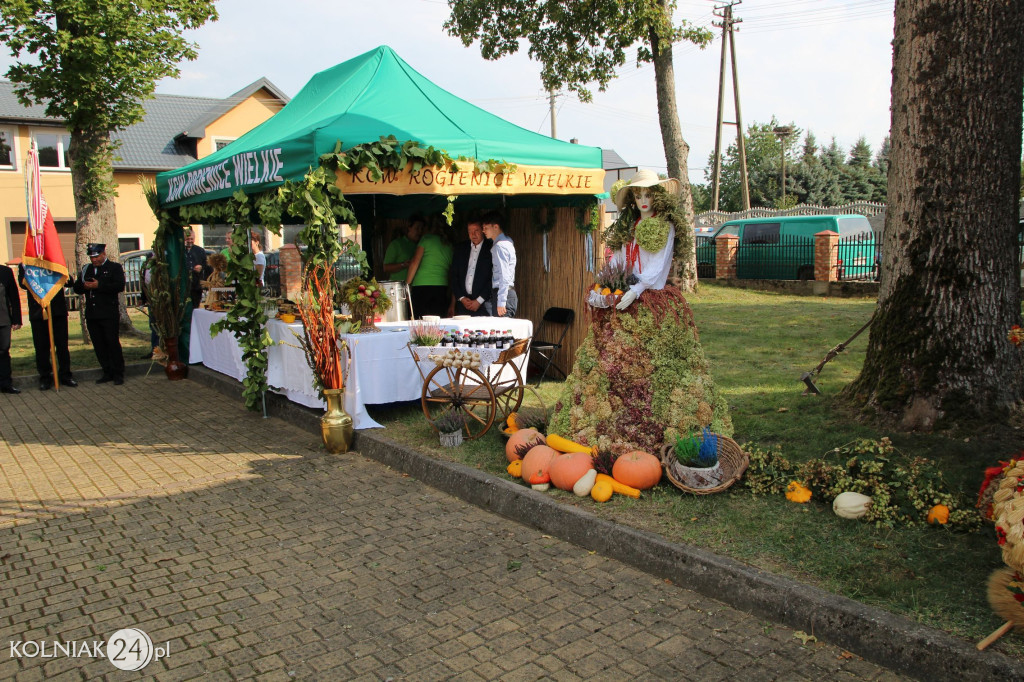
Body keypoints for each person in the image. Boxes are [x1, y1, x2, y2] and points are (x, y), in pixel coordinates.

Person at [607, 168, 680, 310]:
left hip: (652, 297)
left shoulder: (665, 227)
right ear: (633, 199)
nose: (644, 201)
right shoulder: (630, 226)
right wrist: (607, 280)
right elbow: (618, 257)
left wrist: (636, 290)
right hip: (625, 294)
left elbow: (657, 262)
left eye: (648, 195)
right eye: (638, 196)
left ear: (656, 195)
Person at [73, 243, 126, 385]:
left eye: (96, 256)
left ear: (103, 254)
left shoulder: (114, 267)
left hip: (108, 312)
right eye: (91, 257)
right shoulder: (87, 269)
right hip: (92, 314)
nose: (94, 260)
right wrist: (84, 286)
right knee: (99, 344)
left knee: (112, 342)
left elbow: (119, 286)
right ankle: (106, 371)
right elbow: (77, 288)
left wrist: (99, 285)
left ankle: (118, 372)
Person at [17, 264, 77, 389]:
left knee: (62, 346)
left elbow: (69, 282)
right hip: (38, 312)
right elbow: (22, 284)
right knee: (41, 348)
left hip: (57, 312)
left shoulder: (55, 261)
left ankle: (66, 375)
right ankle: (45, 377)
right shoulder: (26, 263)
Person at [405, 218, 453, 319]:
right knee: (438, 322)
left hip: (421, 286)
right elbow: (451, 271)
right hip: (441, 287)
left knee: (420, 322)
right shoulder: (449, 245)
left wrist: (407, 285)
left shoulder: (426, 239)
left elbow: (415, 262)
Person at [450, 219, 493, 317]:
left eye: (476, 231)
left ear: (483, 230)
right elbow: (454, 276)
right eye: (470, 231)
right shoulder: (461, 249)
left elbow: (493, 277)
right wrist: (461, 298)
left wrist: (479, 300)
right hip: (463, 304)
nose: (473, 234)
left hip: (484, 304)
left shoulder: (491, 248)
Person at [481, 211, 517, 317]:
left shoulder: (500, 246)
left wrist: (501, 301)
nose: (483, 231)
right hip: (504, 293)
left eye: (486, 228)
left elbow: (504, 275)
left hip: (503, 295)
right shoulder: (506, 241)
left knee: (502, 332)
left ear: (495, 227)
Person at [0, 262, 22, 394]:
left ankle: (6, 383)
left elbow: (14, 297)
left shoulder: (5, 272)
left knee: (3, 352)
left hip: (3, 320)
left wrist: (17, 319)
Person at [383, 217, 424, 282]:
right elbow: (386, 268)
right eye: (417, 228)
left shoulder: (422, 245)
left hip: (417, 285)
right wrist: (403, 265)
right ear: (409, 228)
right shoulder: (396, 244)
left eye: (422, 229)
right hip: (399, 286)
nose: (420, 231)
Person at [184, 228, 209, 306]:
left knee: (195, 306)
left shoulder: (200, 250)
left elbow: (206, 264)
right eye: (188, 239)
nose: (190, 241)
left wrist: (201, 267)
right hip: (184, 283)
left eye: (191, 239)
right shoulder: (180, 250)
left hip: (196, 284)